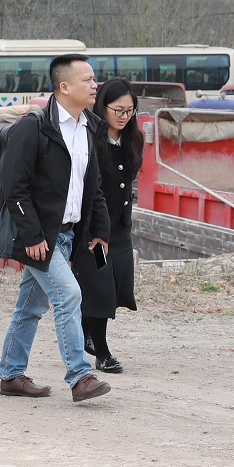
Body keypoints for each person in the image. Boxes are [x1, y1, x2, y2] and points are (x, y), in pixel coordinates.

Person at [0, 53, 113, 403]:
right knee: (69, 294)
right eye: (88, 79)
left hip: (69, 234)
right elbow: (15, 186)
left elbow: (94, 185)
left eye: (94, 79)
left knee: (31, 306)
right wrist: (31, 235)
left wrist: (99, 230)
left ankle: (11, 374)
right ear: (64, 86)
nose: (95, 85)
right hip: (38, 235)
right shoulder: (36, 126)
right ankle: (80, 376)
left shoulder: (89, 127)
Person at [81, 79, 141, 375]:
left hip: (120, 227)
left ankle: (85, 330)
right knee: (100, 288)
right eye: (117, 109)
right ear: (102, 107)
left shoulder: (133, 137)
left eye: (129, 110)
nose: (123, 116)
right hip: (95, 228)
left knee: (117, 286)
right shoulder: (90, 137)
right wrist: (95, 228)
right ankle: (102, 353)